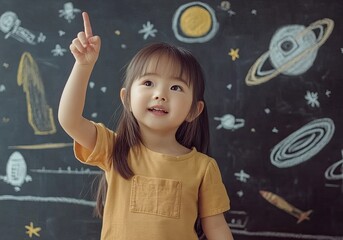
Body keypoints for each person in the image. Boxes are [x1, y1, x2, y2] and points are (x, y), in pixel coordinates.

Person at [58, 12, 233, 240]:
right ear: (127, 98)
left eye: (176, 87)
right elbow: (69, 120)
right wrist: (83, 66)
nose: (160, 94)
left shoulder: (203, 167)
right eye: (149, 83)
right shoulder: (114, 149)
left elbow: (217, 229)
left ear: (194, 110)